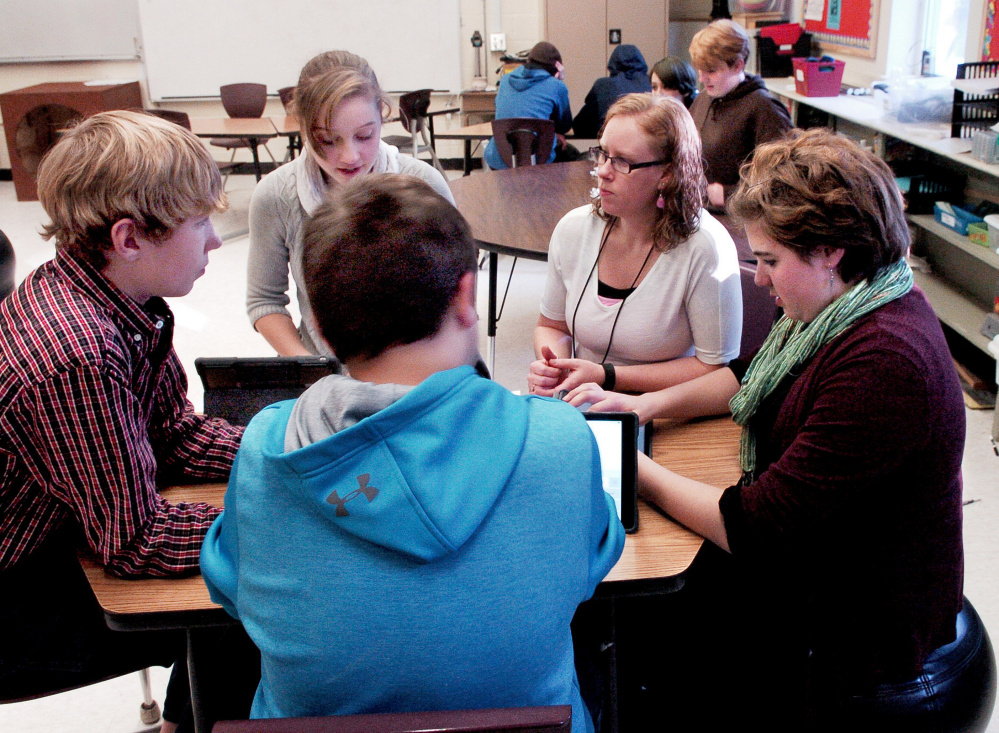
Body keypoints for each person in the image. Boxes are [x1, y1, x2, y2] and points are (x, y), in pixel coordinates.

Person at [570, 129, 979, 730]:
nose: (759, 280)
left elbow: (755, 528)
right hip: (826, 565)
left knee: (622, 623)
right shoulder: (842, 306)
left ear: (829, 250)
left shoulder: (884, 362)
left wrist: (637, 468)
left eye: (769, 261)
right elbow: (747, 376)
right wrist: (642, 406)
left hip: (862, 629)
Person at [201, 174, 625, 732]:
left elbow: (229, 587)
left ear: (321, 329)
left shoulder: (265, 447)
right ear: (467, 296)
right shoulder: (560, 440)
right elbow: (591, 565)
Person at [0, 111, 245, 731]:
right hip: (14, 602)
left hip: (64, 535)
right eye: (200, 222)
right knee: (262, 609)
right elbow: (136, 542)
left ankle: (182, 721)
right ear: (129, 238)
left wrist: (292, 451)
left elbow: (177, 437)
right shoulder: (79, 354)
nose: (215, 241)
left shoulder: (123, 299)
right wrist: (294, 515)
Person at [527, 93, 742, 398]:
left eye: (622, 161)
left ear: (667, 174)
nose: (603, 170)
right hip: (587, 399)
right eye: (602, 154)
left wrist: (607, 376)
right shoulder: (573, 230)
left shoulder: (705, 247)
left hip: (670, 409)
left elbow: (716, 370)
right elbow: (552, 325)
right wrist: (555, 364)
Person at [246, 51, 454, 356]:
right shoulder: (276, 196)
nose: (350, 156)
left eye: (365, 135)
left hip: (417, 372)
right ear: (302, 128)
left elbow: (456, 292)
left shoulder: (424, 185)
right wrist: (311, 372)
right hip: (323, 372)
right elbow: (264, 300)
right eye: (329, 140)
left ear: (382, 115)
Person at [688, 19, 792, 212]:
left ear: (737, 65)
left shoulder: (764, 108)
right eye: (700, 70)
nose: (702, 79)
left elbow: (784, 183)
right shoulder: (704, 99)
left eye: (711, 70)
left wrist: (729, 194)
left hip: (739, 220)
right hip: (700, 211)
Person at [483, 41, 573, 170]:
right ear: (556, 68)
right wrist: (559, 81)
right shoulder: (556, 86)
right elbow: (565, 125)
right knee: (570, 154)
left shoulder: (505, 80)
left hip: (501, 161)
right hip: (540, 161)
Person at [571, 44, 652, 138]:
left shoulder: (603, 85)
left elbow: (581, 124)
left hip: (613, 142)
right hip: (646, 143)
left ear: (612, 63)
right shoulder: (652, 83)